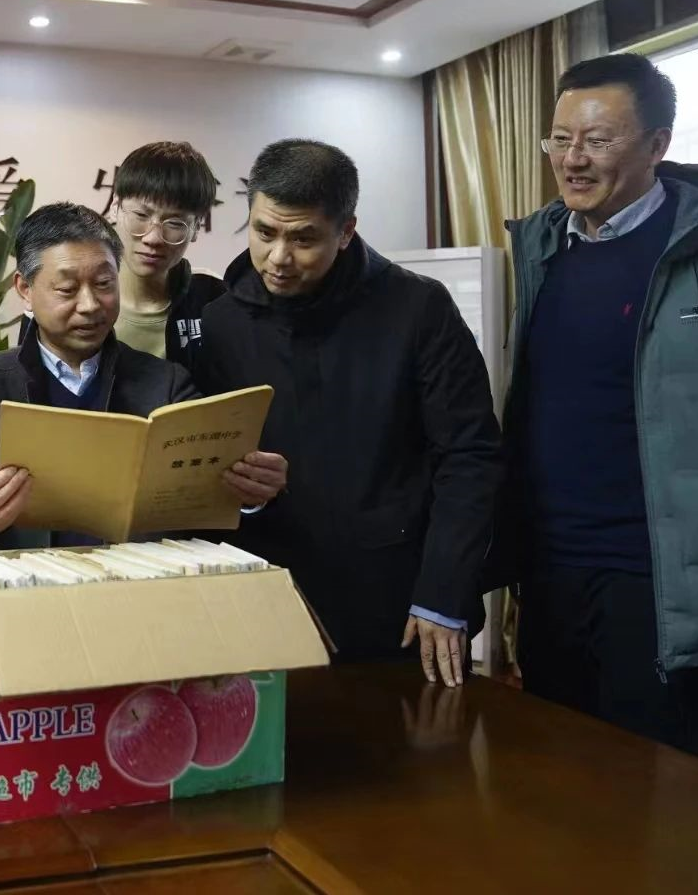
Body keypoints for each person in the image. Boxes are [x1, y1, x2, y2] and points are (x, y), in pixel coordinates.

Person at [496, 53, 698, 750]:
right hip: (550, 578)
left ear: (657, 144)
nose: (571, 160)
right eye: (560, 139)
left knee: (656, 795)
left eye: (597, 140)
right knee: (550, 782)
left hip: (663, 589)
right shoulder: (542, 249)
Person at [197, 140, 500, 687]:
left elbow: (470, 456)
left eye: (303, 239)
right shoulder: (222, 322)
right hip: (273, 594)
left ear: (346, 231)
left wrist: (443, 593)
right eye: (264, 232)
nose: (278, 257)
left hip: (400, 602)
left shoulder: (418, 308)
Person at [0, 202, 288, 549]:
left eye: (103, 284)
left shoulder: (166, 383)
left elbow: (211, 466)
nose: (90, 305)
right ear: (25, 289)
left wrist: (250, 488)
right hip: (26, 580)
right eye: (67, 289)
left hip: (138, 581)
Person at [108, 141, 227, 370]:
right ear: (115, 207)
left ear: (196, 227)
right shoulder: (79, 298)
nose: (153, 238)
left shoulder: (213, 299)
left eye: (174, 223)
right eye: (141, 215)